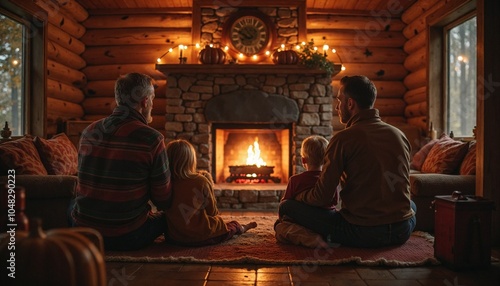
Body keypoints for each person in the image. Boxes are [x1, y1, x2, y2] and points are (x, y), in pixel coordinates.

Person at [279, 75, 416, 248]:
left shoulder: (343, 139)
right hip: (402, 229)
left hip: (362, 232)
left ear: (350, 104)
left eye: (339, 100)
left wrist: (299, 196)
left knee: (287, 206)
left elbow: (322, 197)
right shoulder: (399, 135)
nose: (337, 106)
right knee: (411, 205)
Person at [69, 73, 172, 251]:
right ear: (145, 101)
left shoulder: (88, 132)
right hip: (128, 236)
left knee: (71, 205)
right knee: (172, 216)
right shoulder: (152, 139)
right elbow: (163, 199)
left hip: (84, 231)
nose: (152, 105)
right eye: (153, 100)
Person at [164, 139, 257, 246]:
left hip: (174, 238)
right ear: (191, 160)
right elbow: (212, 212)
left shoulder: (165, 183)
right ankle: (241, 227)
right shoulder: (201, 181)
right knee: (228, 226)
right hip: (201, 237)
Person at [280, 135, 338, 210]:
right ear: (326, 160)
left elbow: (286, 201)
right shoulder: (330, 179)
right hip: (326, 217)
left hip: (304, 215)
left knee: (284, 205)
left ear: (303, 160)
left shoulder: (295, 180)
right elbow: (335, 201)